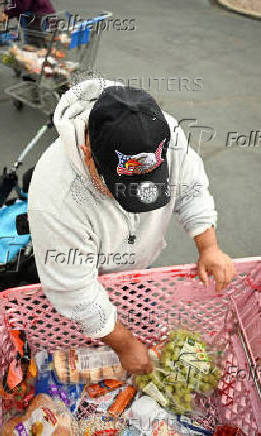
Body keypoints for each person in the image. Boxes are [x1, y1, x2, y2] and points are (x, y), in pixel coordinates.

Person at [28, 79, 236, 375]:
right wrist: (125, 346)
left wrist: (209, 246)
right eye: (122, 187)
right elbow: (75, 290)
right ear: (88, 154)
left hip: (135, 272)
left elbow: (191, 188)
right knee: (72, 351)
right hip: (78, 275)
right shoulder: (56, 195)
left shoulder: (160, 134)